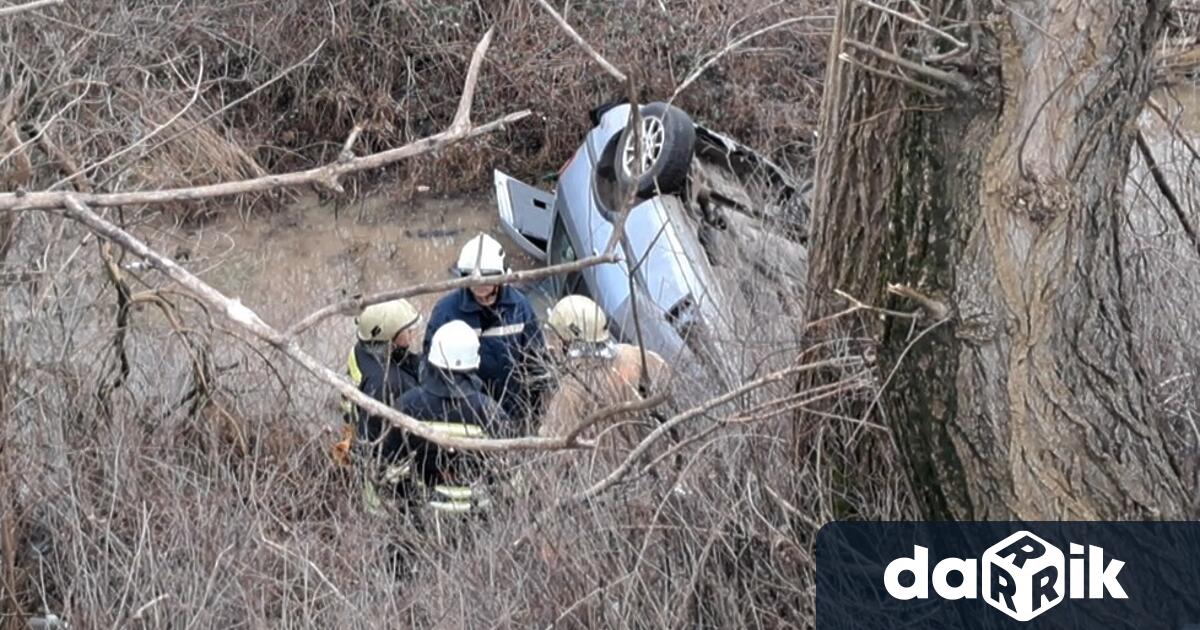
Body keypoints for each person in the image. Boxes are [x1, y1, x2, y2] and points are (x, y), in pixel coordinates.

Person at [384, 320, 516, 511]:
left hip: (421, 517)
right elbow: (509, 473)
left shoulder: (406, 406)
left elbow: (391, 468)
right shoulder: (489, 411)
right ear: (474, 362)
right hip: (479, 519)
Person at [423, 233, 547, 427]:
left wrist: (533, 418)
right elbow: (430, 366)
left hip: (512, 412)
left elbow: (537, 363)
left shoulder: (518, 307)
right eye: (474, 281)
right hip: (463, 415)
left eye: (487, 280)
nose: (480, 287)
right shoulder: (446, 312)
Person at [538, 295, 670, 450]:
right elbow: (670, 390)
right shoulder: (639, 357)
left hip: (612, 471)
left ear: (567, 341)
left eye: (555, 337)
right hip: (660, 460)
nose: (551, 346)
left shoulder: (569, 394)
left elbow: (552, 451)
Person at [332, 299, 422, 466]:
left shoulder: (363, 350)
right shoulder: (385, 383)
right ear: (387, 335)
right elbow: (379, 444)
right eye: (407, 330)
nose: (412, 334)